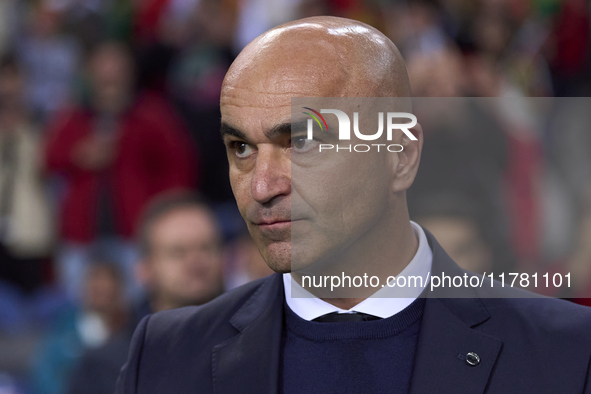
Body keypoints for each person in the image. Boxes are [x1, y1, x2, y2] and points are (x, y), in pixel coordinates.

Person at [116, 16, 591, 394]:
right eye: (241, 148)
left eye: (300, 142)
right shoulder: (163, 356)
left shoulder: (565, 350)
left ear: (401, 156)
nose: (261, 186)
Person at [44, 41, 197, 302]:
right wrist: (78, 156)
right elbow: (48, 159)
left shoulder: (150, 114)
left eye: (116, 67)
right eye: (103, 68)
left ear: (129, 72)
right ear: (90, 74)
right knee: (77, 305)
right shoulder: (75, 115)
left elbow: (180, 165)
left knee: (136, 304)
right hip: (82, 234)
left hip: (134, 233)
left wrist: (159, 212)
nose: (110, 75)